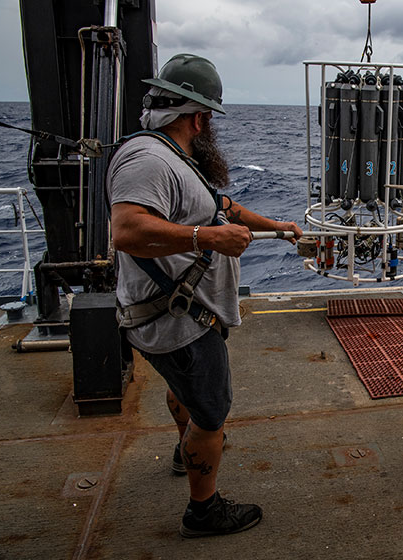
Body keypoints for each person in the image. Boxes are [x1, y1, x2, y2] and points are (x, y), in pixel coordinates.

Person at [107, 53, 303, 536]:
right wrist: (206, 239)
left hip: (174, 316)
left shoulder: (172, 158)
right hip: (180, 320)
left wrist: (276, 228)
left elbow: (222, 207)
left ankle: (184, 449)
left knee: (187, 395)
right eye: (208, 118)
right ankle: (204, 510)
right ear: (198, 116)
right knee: (213, 414)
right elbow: (127, 229)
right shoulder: (149, 160)